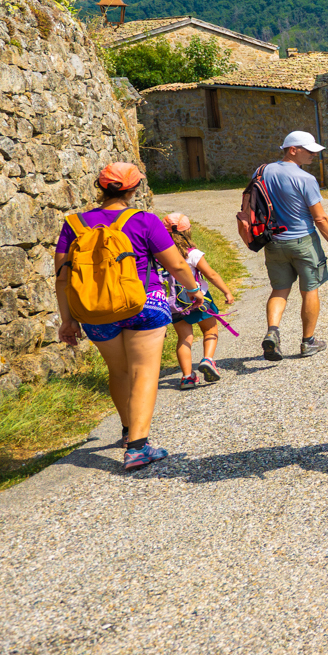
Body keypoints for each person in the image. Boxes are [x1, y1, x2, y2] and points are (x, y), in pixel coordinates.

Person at [55, 163, 207, 472]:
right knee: (144, 372)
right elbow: (177, 264)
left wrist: (68, 320)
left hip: (96, 311)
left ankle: (127, 430)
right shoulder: (144, 221)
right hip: (143, 304)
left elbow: (62, 277)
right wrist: (194, 291)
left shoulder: (74, 224)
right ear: (134, 189)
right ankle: (138, 447)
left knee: (119, 372)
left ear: (100, 187)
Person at [261, 131, 328, 360]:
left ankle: (272, 332)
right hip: (303, 241)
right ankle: (308, 342)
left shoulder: (264, 171)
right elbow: (320, 218)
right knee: (310, 290)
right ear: (293, 149)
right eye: (309, 150)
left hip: (274, 242)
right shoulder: (305, 179)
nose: (314, 155)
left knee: (279, 290)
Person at [165, 213, 234, 390]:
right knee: (210, 329)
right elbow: (211, 274)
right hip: (198, 298)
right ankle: (208, 360)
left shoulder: (161, 256)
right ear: (188, 231)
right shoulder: (192, 254)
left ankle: (187, 377)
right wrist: (226, 292)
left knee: (184, 338)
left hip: (175, 303)